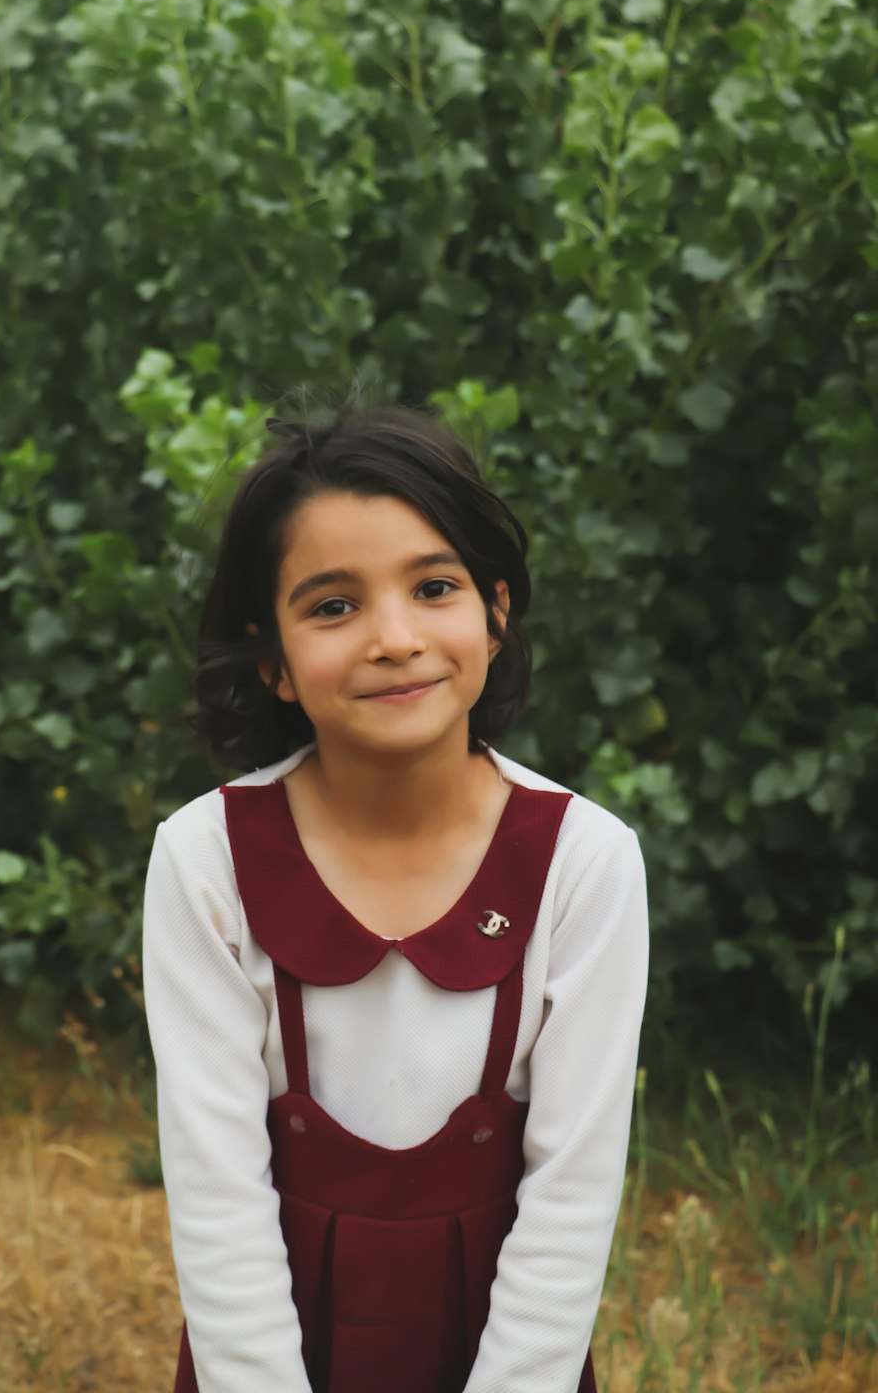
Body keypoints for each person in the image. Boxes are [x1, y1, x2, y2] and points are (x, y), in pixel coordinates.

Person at [142, 400, 649, 1393]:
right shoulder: (206, 859)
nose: (392, 636)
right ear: (273, 660)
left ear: (495, 613)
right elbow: (217, 1198)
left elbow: (570, 1198)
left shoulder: (582, 861)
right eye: (332, 605)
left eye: (433, 586)